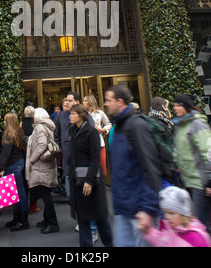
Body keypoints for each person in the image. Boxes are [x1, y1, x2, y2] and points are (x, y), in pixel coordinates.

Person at [105, 84, 162, 247]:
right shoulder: (119, 126)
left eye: (109, 100)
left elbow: (150, 168)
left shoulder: (137, 126)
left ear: (120, 101)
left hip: (139, 208)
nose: (106, 104)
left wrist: (147, 208)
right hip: (123, 207)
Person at [67, 104, 113, 247]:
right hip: (78, 180)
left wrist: (89, 180)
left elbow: (95, 158)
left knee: (100, 218)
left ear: (81, 115)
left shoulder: (91, 132)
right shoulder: (72, 131)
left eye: (73, 114)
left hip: (91, 180)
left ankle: (110, 244)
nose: (70, 116)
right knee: (83, 219)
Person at [173, 93, 211, 237]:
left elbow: (209, 150)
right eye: (174, 105)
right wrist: (179, 164)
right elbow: (180, 149)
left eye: (178, 105)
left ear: (186, 107)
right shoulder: (180, 124)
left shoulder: (197, 124)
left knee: (201, 224)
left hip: (201, 181)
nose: (175, 108)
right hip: (189, 179)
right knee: (197, 222)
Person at [137, 186, 211, 247]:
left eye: (171, 213)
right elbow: (160, 241)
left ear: (183, 214)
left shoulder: (195, 237)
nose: (166, 217)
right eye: (165, 212)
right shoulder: (168, 229)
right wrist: (148, 231)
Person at [25, 107, 59, 234]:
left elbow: (42, 145)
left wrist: (32, 160)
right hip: (46, 165)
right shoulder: (47, 126)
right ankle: (47, 219)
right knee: (45, 193)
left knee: (45, 195)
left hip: (41, 166)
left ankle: (52, 222)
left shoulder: (39, 127)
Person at [0, 112, 29, 232]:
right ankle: (19, 219)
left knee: (17, 193)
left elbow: (5, 153)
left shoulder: (8, 134)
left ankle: (22, 221)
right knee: (19, 192)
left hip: (13, 164)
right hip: (19, 162)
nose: (3, 122)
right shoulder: (19, 132)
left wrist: (0, 167)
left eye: (5, 120)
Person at [82, 94, 111, 178]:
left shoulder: (100, 113)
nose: (83, 102)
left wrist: (103, 130)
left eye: (85, 101)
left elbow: (108, 123)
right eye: (83, 101)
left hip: (100, 142)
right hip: (87, 143)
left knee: (102, 167)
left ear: (90, 102)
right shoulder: (83, 114)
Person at [20, 105, 40, 215]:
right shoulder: (35, 125)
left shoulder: (21, 125)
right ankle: (33, 205)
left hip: (23, 155)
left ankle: (23, 205)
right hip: (33, 156)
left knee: (24, 180)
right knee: (33, 181)